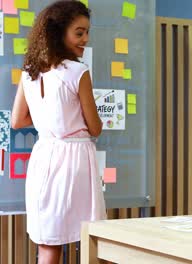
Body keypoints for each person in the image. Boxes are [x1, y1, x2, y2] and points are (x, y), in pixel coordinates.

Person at [11, 1, 106, 263]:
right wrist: (68, 122)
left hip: (44, 157)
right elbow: (95, 126)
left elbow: (18, 120)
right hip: (75, 159)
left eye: (87, 32)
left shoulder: (29, 73)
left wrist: (50, 123)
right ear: (59, 32)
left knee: (49, 243)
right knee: (94, 237)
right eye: (79, 32)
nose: (85, 39)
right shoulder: (78, 72)